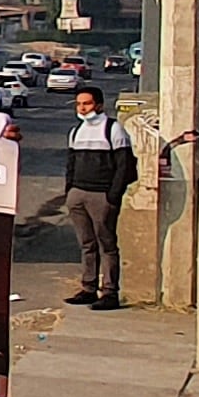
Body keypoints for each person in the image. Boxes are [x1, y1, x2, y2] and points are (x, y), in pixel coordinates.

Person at [61, 84, 139, 309]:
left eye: (87, 103)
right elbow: (71, 163)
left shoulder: (113, 129)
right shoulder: (76, 131)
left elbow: (124, 166)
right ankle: (88, 288)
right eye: (79, 104)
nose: (82, 108)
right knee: (87, 243)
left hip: (102, 195)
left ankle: (110, 292)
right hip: (78, 194)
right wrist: (70, 191)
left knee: (107, 244)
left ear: (99, 104)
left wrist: (113, 196)